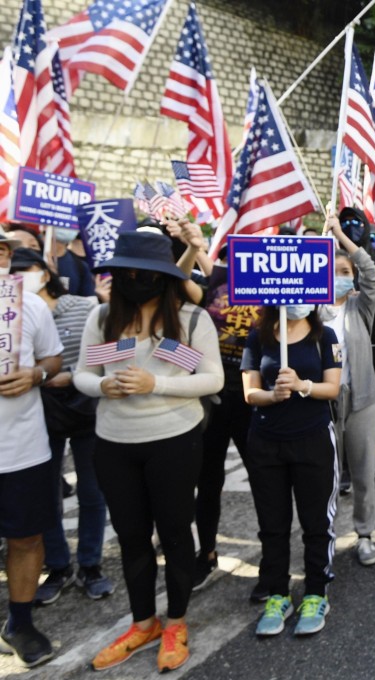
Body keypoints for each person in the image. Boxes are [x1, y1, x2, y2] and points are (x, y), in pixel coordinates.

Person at [75, 231, 223, 672]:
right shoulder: (101, 317)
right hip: (114, 445)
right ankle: (144, 623)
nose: (136, 280)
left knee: (176, 533)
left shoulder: (192, 319)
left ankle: (176, 622)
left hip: (175, 442)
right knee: (132, 537)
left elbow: (213, 379)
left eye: (146, 274)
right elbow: (83, 372)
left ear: (165, 277)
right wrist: (102, 385)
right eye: (127, 273)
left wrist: (156, 383)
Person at [8, 248, 113, 605]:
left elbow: (111, 350)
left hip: (85, 408)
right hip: (38, 413)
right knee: (46, 494)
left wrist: (72, 375)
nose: (20, 275)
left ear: (47, 270)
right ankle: (57, 565)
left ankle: (91, 565)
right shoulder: (12, 315)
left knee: (92, 492)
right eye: (13, 269)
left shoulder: (86, 307)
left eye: (28, 268)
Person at [240, 291, 341, 636]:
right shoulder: (258, 336)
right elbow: (249, 391)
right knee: (272, 524)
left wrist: (302, 385)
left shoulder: (325, 336)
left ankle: (315, 592)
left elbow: (333, 388)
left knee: (316, 522)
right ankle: (277, 593)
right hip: (266, 443)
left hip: (312, 440)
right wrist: (272, 395)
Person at [0, 232, 62, 668]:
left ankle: (20, 622)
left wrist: (36, 375)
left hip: (22, 448)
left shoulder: (32, 305)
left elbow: (54, 360)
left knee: (26, 537)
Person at [192, 247, 260, 592]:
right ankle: (205, 553)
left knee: (263, 480)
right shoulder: (209, 287)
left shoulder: (266, 288)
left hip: (254, 398)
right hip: (212, 399)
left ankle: (273, 558)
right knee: (207, 481)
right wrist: (191, 245)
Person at [320, 214, 375, 567]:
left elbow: (370, 271)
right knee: (326, 477)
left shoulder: (361, 307)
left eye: (345, 272)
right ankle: (325, 538)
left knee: (362, 472)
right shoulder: (311, 311)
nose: (340, 277)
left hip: (360, 401)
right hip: (324, 402)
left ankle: (365, 535)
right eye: (334, 272)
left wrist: (342, 235)